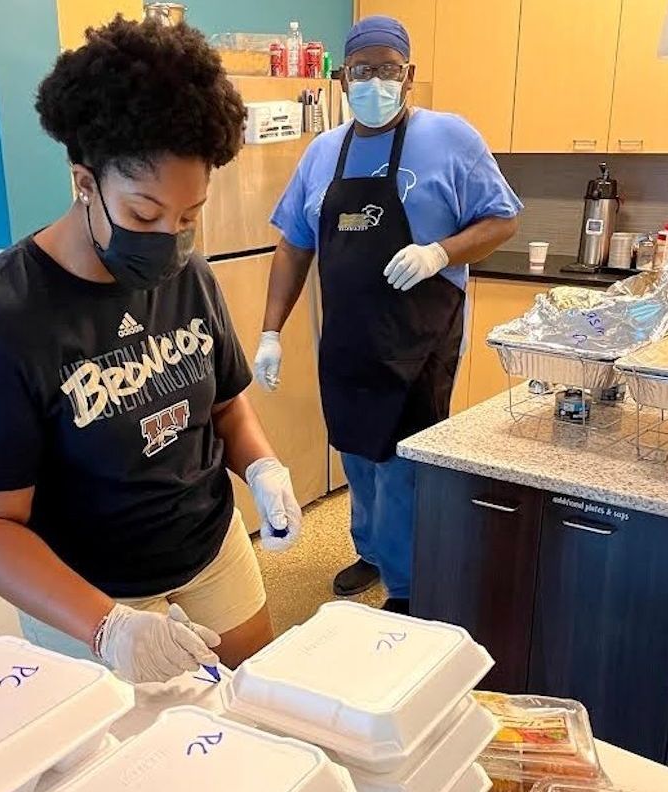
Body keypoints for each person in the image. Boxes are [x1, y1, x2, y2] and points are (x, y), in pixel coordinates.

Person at [0, 18, 302, 684]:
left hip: (209, 546)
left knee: (257, 704)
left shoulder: (190, 275)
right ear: (84, 182)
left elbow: (224, 406)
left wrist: (265, 469)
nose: (172, 240)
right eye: (145, 215)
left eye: (190, 216)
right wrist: (108, 625)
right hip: (88, 589)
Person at [254, 15, 521, 612]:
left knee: (403, 462)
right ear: (343, 77)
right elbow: (295, 242)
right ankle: (371, 552)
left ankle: (406, 585)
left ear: (410, 75)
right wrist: (271, 330)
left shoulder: (451, 138)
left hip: (418, 336)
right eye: (361, 70)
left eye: (388, 69)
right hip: (349, 335)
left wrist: (439, 253)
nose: (374, 81)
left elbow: (503, 219)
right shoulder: (324, 151)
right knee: (356, 451)